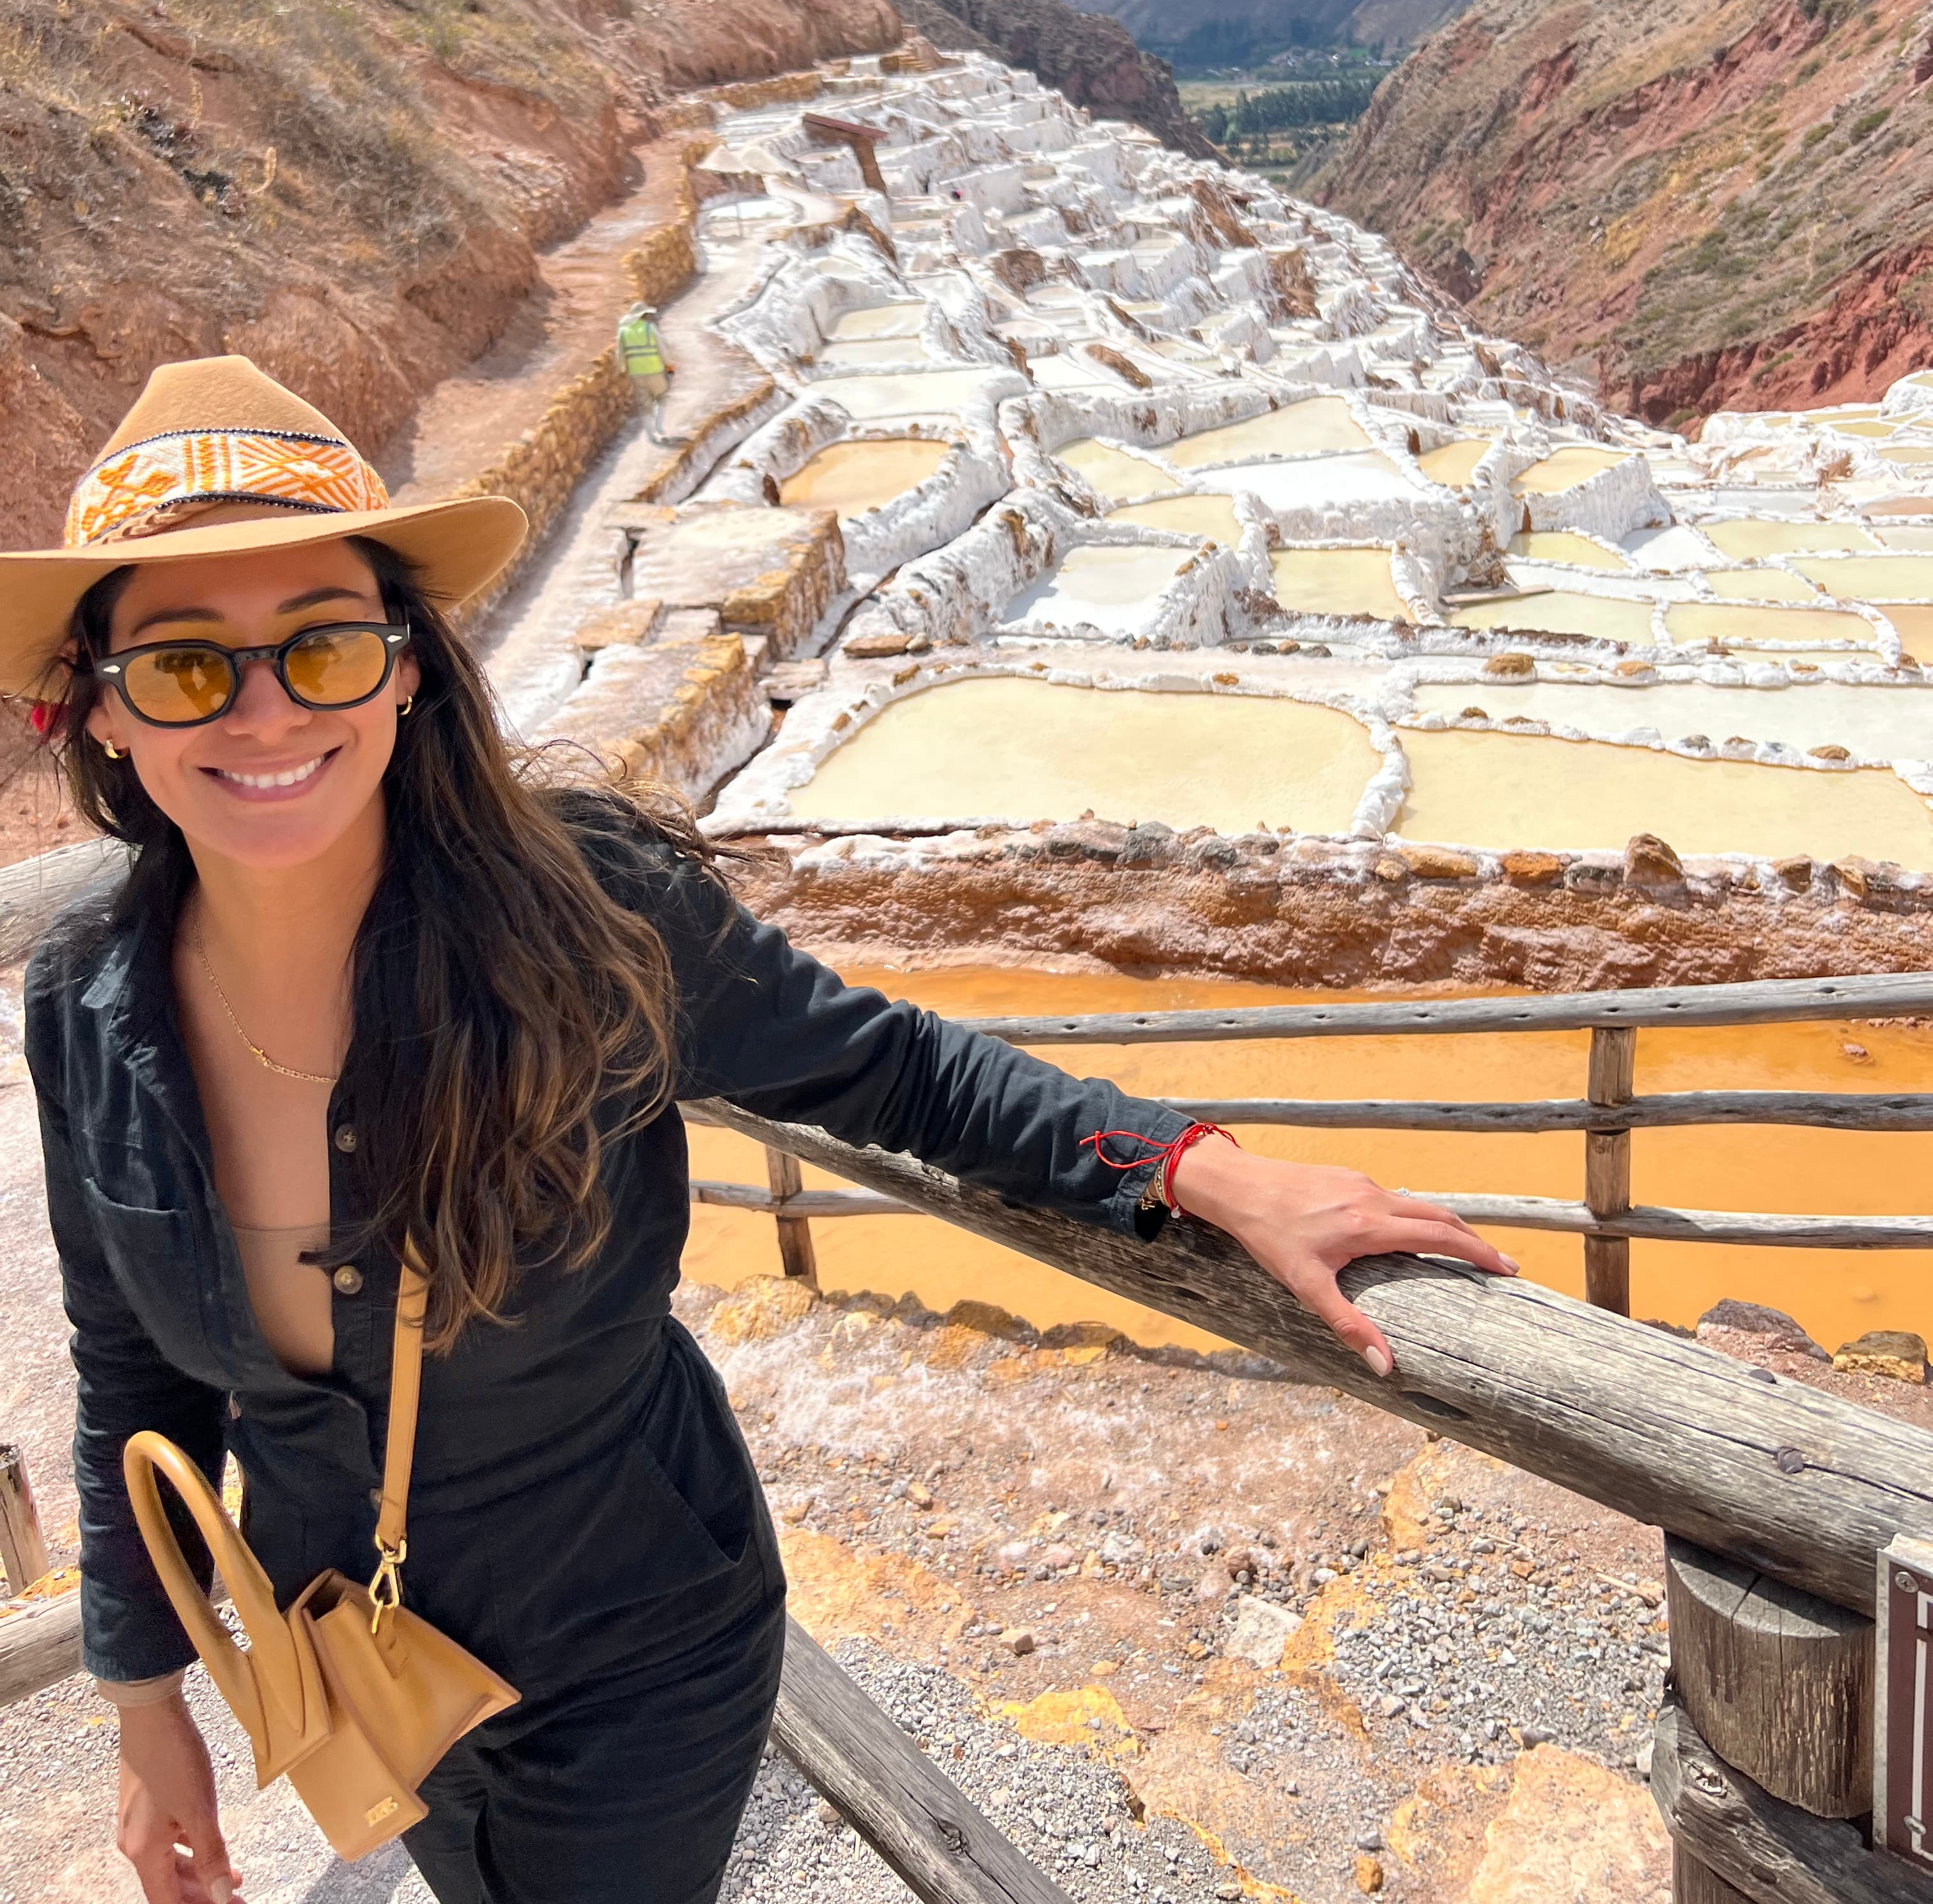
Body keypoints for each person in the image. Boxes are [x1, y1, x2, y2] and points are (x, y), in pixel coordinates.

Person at [5, 357, 1512, 1904]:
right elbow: (133, 1377)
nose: (262, 711)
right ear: (101, 710)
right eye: (187, 667)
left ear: (406, 670)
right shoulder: (86, 1005)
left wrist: (1202, 1170)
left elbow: (894, 1073)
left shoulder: (580, 923)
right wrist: (145, 1705)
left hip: (637, 1641)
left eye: (320, 646)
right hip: (359, 1663)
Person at [616, 302, 670, 437]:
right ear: (644, 315)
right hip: (655, 369)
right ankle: (659, 426)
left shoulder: (624, 331)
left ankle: (651, 434)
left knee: (644, 405)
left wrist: (622, 369)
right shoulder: (650, 328)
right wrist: (669, 364)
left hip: (636, 373)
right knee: (661, 397)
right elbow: (662, 348)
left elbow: (620, 353)